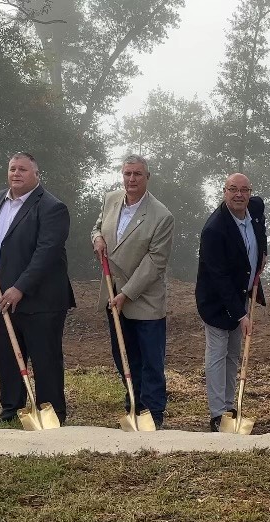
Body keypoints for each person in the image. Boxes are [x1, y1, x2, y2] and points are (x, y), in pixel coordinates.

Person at [0, 152, 75, 425]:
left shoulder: (52, 207)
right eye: (12, 169)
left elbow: (46, 254)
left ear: (36, 175)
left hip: (40, 300)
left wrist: (20, 288)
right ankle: (10, 410)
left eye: (23, 170)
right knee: (7, 356)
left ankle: (51, 413)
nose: (16, 174)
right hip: (0, 295)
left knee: (45, 359)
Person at [91, 155, 174, 429]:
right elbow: (97, 226)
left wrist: (126, 294)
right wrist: (98, 238)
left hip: (144, 299)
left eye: (137, 174)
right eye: (127, 174)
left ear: (147, 178)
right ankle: (133, 405)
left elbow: (155, 262)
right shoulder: (111, 199)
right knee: (123, 354)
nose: (131, 179)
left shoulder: (161, 216)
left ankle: (152, 414)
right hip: (112, 294)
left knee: (150, 360)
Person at [195, 173, 267, 431]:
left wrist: (262, 255)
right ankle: (217, 414)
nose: (239, 195)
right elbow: (219, 277)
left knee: (234, 354)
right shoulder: (214, 229)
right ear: (224, 192)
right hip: (216, 299)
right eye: (233, 190)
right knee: (218, 353)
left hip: (240, 294)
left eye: (244, 190)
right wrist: (240, 314)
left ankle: (229, 406)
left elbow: (261, 227)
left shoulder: (255, 209)